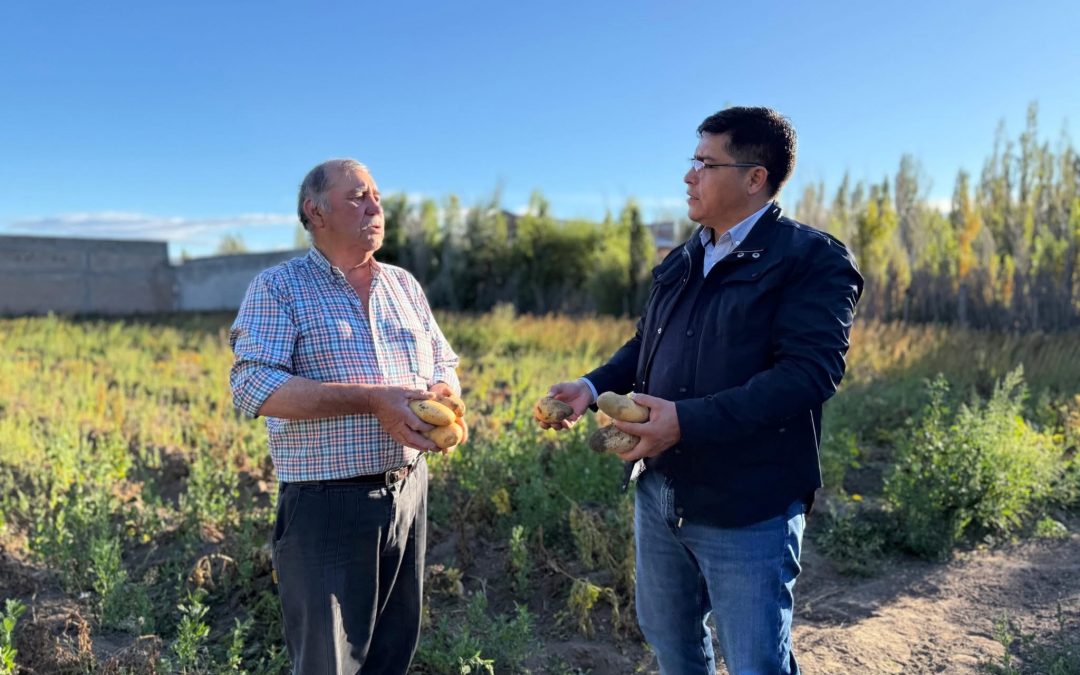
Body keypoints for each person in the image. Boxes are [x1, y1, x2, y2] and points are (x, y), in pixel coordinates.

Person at [539, 107, 863, 674]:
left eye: (704, 163)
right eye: (693, 162)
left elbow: (809, 374)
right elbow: (646, 346)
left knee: (756, 661)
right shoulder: (685, 257)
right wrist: (592, 387)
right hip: (660, 491)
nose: (689, 175)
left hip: (749, 504)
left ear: (754, 176)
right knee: (674, 646)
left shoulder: (811, 259)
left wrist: (685, 421)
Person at [229, 158, 463, 674]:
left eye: (377, 196)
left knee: (391, 654)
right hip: (326, 505)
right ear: (315, 211)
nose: (375, 206)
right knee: (327, 663)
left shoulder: (404, 286)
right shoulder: (279, 288)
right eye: (358, 196)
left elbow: (444, 361)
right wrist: (371, 398)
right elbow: (252, 386)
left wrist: (445, 390)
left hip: (408, 492)